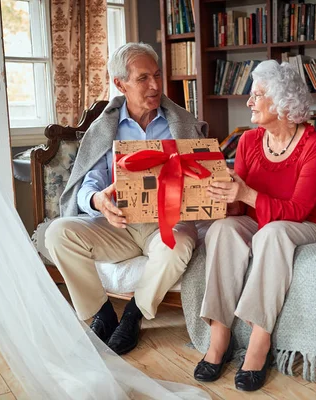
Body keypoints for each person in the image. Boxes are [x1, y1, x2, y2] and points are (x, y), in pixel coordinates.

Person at [45, 42, 207, 355]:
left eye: (157, 75)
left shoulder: (183, 124)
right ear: (120, 84)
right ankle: (102, 314)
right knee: (57, 233)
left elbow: (201, 175)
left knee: (179, 246)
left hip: (165, 224)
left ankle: (134, 314)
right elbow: (89, 180)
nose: (156, 85)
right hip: (117, 224)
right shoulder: (105, 127)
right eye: (144, 78)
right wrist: (97, 201)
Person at [193, 60, 316, 391]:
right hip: (262, 220)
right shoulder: (248, 142)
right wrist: (224, 196)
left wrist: (247, 193)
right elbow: (241, 207)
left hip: (306, 225)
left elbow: (298, 210)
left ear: (283, 103)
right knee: (222, 229)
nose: (249, 102)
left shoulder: (315, 146)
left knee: (272, 233)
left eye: (256, 95)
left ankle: (259, 341)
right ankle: (219, 336)